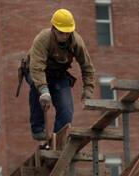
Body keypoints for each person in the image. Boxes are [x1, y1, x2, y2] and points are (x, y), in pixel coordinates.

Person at [25, 8, 95, 140]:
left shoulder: (76, 42)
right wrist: (44, 90)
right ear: (53, 29)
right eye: (61, 33)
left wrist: (88, 89)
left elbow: (87, 66)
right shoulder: (43, 39)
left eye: (68, 33)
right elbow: (36, 68)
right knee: (37, 88)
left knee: (66, 110)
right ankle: (38, 129)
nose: (64, 36)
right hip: (36, 71)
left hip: (58, 75)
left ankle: (59, 140)